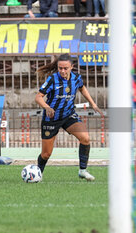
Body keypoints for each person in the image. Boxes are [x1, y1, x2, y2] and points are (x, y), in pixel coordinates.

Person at [35, 53, 104, 181]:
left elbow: (82, 88)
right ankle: (37, 173)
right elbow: (38, 97)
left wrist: (93, 104)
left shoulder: (76, 78)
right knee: (46, 154)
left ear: (72, 67)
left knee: (85, 138)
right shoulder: (52, 79)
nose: (62, 71)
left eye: (65, 68)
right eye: (60, 68)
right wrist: (47, 107)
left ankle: (82, 171)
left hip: (68, 115)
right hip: (52, 118)